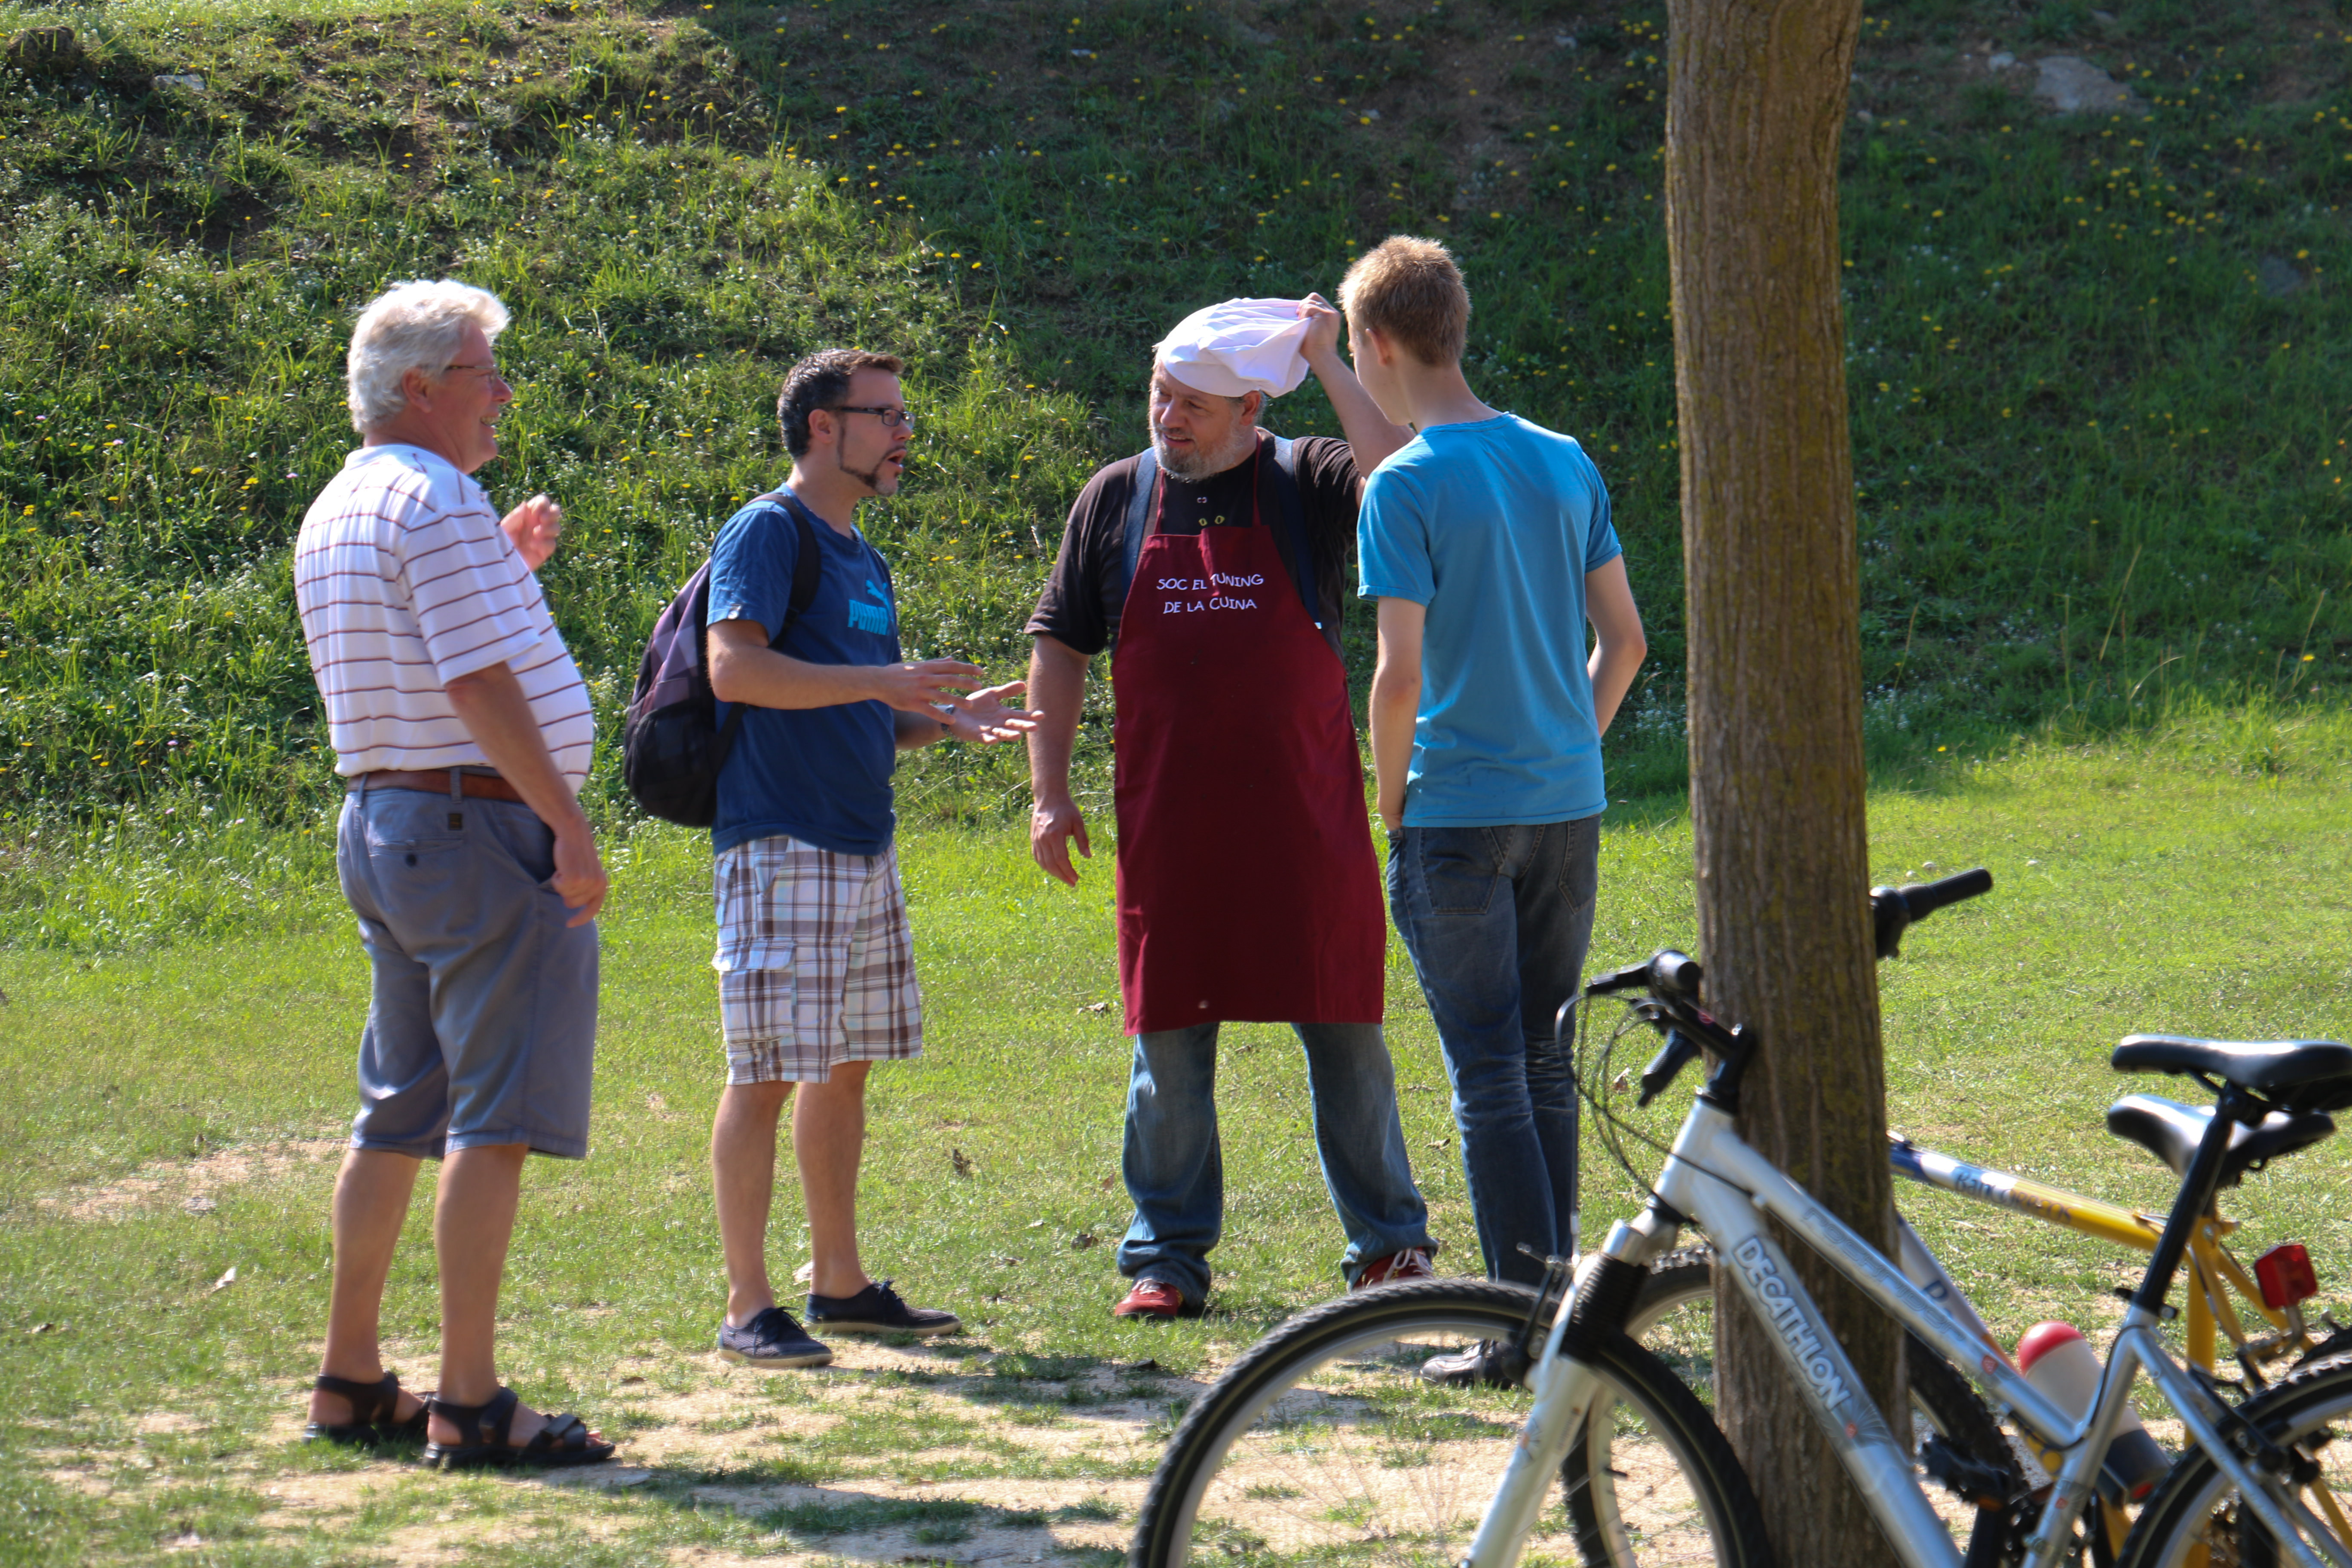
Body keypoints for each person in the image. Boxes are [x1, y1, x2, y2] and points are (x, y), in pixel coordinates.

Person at [1025, 297, 1439, 1320]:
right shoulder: (1117, 497)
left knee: (1344, 1029)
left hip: (1305, 818)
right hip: (1172, 827)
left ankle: (1390, 1247)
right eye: (1161, 395)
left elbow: (1406, 477)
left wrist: (1329, 362)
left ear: (1253, 408)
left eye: (1194, 405)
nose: (1167, 418)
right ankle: (1165, 1258)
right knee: (1167, 1042)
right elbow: (1061, 646)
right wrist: (1049, 792)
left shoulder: (1308, 478)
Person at [292, 278, 614, 1467]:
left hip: (389, 824)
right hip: (477, 831)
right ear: (422, 387)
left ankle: (350, 1376)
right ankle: (471, 1401)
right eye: (487, 373)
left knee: (397, 1111)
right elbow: (474, 685)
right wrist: (567, 824)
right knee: (494, 1116)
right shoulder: (437, 499)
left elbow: (427, 655)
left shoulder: (347, 500)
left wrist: (506, 566)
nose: (504, 396)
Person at [1348, 237, 1648, 1381]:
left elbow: (1398, 678)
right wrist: (1565, 746)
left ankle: (1520, 1327)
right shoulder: (1564, 460)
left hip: (1457, 818)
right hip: (1567, 806)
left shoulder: (1405, 484)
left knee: (1489, 1074)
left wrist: (1391, 798)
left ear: (1378, 344)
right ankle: (1560, 1312)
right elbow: (1625, 643)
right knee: (1542, 1061)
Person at [704, 348, 1035, 1369]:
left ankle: (839, 1284)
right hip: (781, 838)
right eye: (884, 416)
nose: (903, 435)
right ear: (823, 426)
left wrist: (943, 720)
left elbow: (866, 712)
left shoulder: (865, 561)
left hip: (861, 842)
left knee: (844, 1068)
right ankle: (748, 1306)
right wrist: (887, 682)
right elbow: (735, 669)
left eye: (903, 416)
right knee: (767, 1071)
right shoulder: (770, 530)